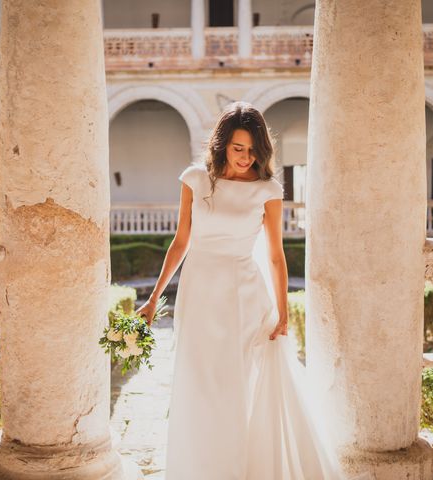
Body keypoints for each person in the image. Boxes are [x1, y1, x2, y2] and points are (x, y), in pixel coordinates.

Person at [136, 101, 370, 480]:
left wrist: (282, 313)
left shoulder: (268, 189)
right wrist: (153, 299)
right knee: (198, 384)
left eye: (251, 150)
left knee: (238, 386)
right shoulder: (195, 179)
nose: (245, 158)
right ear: (222, 145)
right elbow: (181, 242)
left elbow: (276, 257)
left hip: (244, 296)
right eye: (237, 148)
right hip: (197, 295)